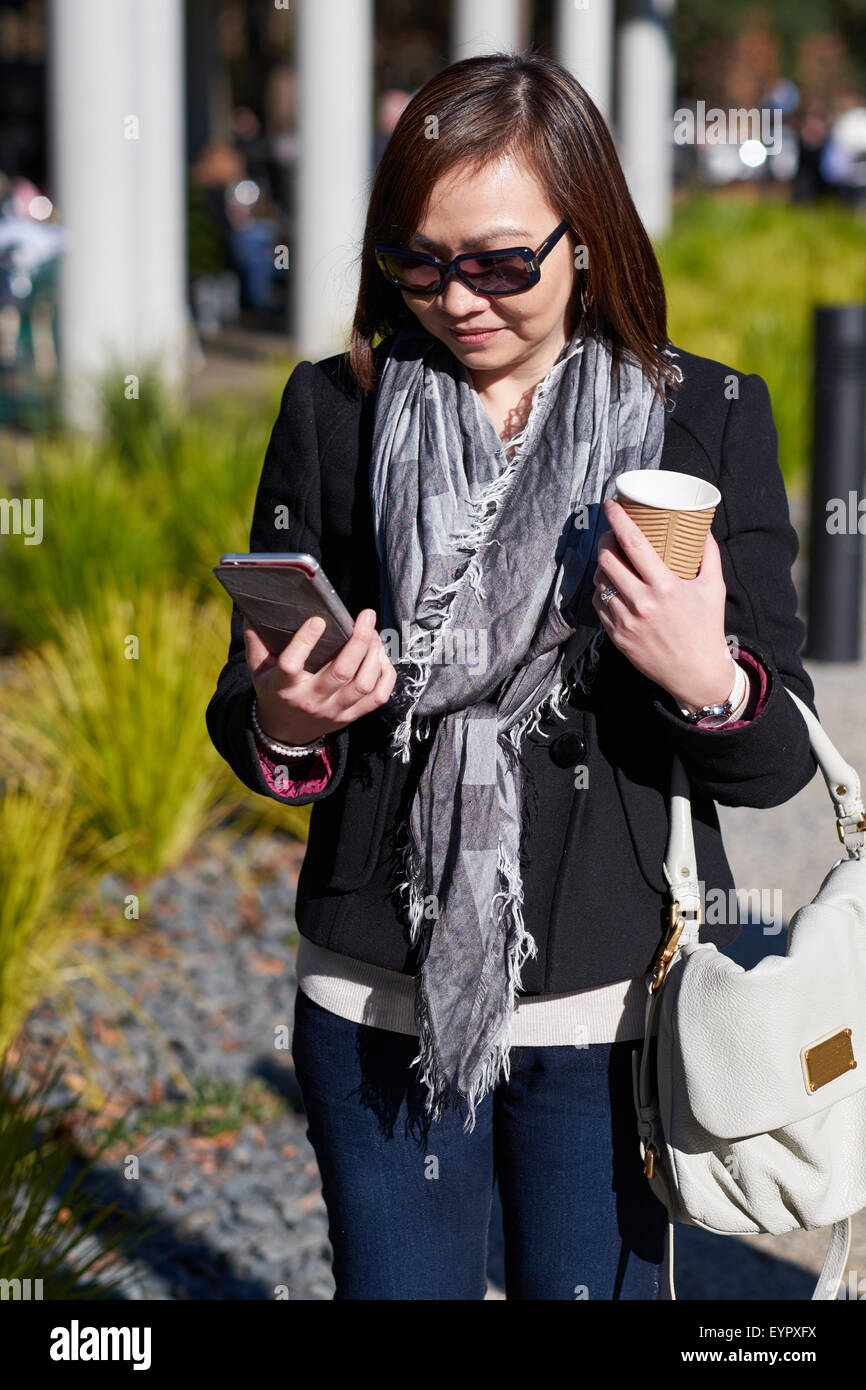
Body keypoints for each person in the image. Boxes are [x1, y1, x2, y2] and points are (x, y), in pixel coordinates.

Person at [206, 52, 819, 1301]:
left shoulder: (697, 416)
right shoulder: (337, 410)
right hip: (373, 984)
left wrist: (703, 672)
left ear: (584, 240)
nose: (455, 300)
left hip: (606, 1014)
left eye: (497, 263)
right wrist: (286, 714)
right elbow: (252, 715)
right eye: (417, 264)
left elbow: (772, 763)